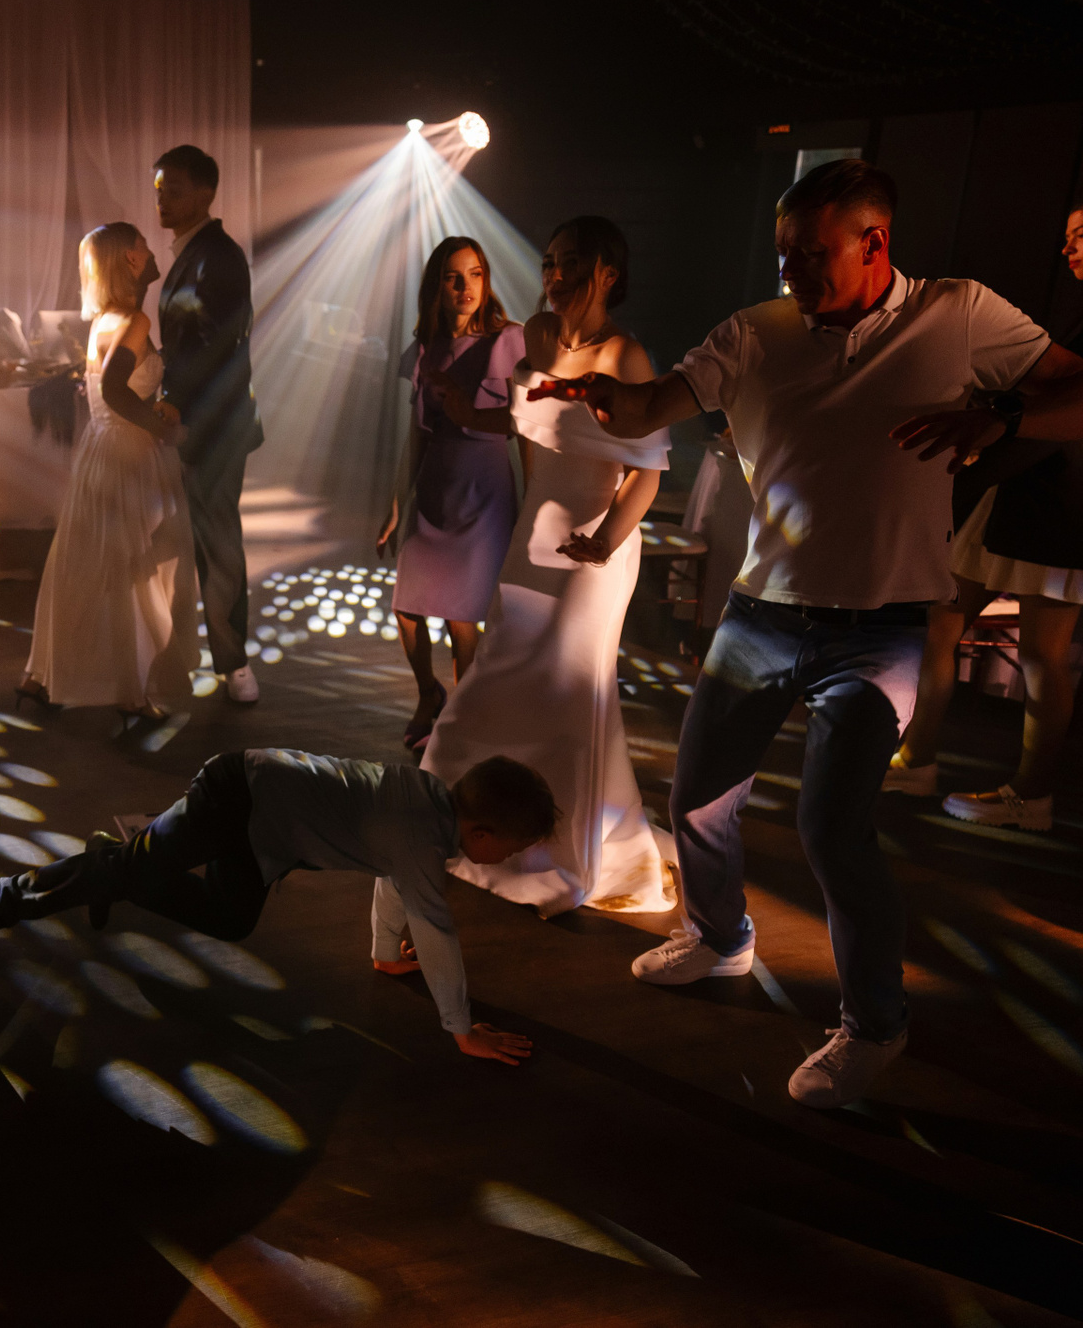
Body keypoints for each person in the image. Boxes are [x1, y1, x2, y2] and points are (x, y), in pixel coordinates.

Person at [544, 159, 1072, 1110]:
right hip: (762, 613)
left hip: (883, 628)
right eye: (784, 253)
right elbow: (654, 404)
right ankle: (720, 938)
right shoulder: (756, 331)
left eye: (811, 254)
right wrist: (604, 401)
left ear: (875, 242)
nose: (790, 271)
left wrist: (1000, 415)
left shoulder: (957, 313)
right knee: (699, 800)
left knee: (833, 827)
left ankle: (875, 1025)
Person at [401, 217, 672, 957]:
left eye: (571, 263)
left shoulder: (625, 354)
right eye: (549, 261)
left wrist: (605, 541)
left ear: (608, 272)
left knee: (566, 691)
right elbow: (525, 424)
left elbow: (647, 472)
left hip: (597, 547)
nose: (553, 275)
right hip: (534, 538)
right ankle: (450, 818)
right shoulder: (539, 336)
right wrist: (468, 415)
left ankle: (560, 848)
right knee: (495, 676)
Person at [0, 749, 555, 1065]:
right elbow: (436, 928)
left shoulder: (427, 812)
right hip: (236, 796)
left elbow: (397, 881)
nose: (506, 860)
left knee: (228, 917)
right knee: (126, 869)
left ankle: (114, 865)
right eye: (510, 850)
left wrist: (385, 955)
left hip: (266, 829)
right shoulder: (421, 838)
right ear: (482, 834)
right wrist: (461, 1029)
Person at [884, 198, 1083, 830]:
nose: (1068, 247)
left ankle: (1031, 795)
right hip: (1024, 494)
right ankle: (916, 759)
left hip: (1062, 504)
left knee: (1041, 653)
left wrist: (994, 428)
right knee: (943, 622)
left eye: (1081, 234)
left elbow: (1062, 412)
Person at [17, 223, 199, 718]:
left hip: (100, 449)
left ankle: (43, 674)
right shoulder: (135, 320)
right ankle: (132, 688)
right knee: (136, 567)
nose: (151, 250)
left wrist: (152, 408)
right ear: (130, 260)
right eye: (142, 245)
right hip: (129, 453)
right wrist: (159, 428)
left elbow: (116, 391)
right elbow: (115, 389)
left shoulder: (104, 318)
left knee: (87, 562)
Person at [376, 236, 529, 748]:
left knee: (463, 621)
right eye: (453, 277)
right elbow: (415, 435)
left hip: (484, 490)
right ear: (436, 287)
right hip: (435, 487)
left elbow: (527, 427)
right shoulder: (426, 347)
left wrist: (533, 501)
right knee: (406, 609)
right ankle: (429, 695)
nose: (466, 287)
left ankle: (461, 721)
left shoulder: (508, 341)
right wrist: (396, 505)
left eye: (475, 274)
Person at [154, 145, 262, 705]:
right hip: (196, 419)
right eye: (158, 190)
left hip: (216, 423)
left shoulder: (217, 255)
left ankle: (234, 662)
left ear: (204, 193)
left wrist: (177, 399)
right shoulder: (192, 253)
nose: (162, 200)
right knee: (198, 540)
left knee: (218, 542)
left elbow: (221, 343)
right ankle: (194, 651)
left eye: (172, 190)